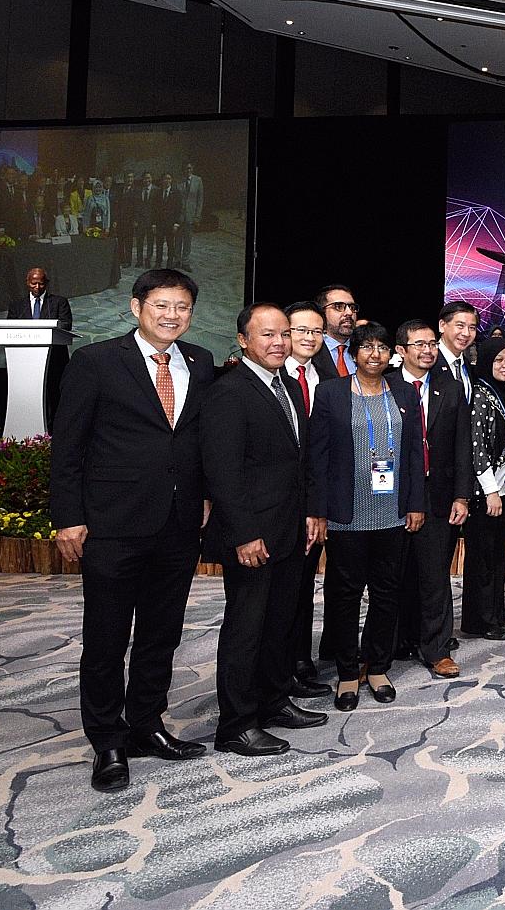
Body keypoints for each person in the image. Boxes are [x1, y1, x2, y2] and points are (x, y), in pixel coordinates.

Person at [51, 269, 214, 792]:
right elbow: (69, 447)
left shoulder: (200, 362)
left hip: (178, 523)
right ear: (136, 306)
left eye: (182, 307)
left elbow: (196, 441)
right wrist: (68, 517)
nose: (173, 316)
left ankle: (146, 725)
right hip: (113, 525)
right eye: (162, 305)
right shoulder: (95, 362)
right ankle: (108, 742)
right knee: (105, 638)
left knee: (161, 634)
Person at [203, 303, 327, 756]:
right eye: (267, 335)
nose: (278, 343)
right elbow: (223, 472)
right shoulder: (229, 392)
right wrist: (243, 533)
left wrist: (313, 512)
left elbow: (302, 459)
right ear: (243, 341)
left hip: (291, 530)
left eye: (283, 335)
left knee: (280, 623)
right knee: (246, 628)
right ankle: (236, 724)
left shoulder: (290, 387)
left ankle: (273, 702)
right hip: (252, 537)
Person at [308, 322, 426, 712]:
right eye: (366, 347)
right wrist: (318, 511)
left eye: (380, 347)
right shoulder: (331, 393)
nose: (374, 354)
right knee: (344, 596)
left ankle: (377, 667)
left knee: (387, 593)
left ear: (391, 353)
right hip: (347, 516)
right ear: (354, 353)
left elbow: (412, 455)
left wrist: (415, 503)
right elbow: (318, 457)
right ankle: (346, 671)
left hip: (392, 514)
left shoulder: (405, 392)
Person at [391, 319, 473, 678]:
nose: (427, 350)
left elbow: (462, 447)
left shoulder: (450, 387)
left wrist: (463, 496)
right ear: (400, 351)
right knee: (391, 575)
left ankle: (437, 649)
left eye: (430, 344)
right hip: (391, 495)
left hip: (438, 494)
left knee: (435, 576)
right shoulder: (386, 386)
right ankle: (389, 645)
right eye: (418, 344)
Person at [281, 300, 332, 696]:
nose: (310, 338)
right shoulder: (270, 376)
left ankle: (299, 660)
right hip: (278, 505)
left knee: (302, 588)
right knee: (278, 593)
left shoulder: (325, 376)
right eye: (301, 331)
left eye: (317, 332)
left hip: (316, 501)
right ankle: (279, 670)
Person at [462, 336, 505, 640]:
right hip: (486, 492)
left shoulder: (503, 392)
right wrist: (490, 491)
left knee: (497, 558)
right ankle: (479, 620)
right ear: (485, 363)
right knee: (482, 559)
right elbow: (477, 447)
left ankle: (494, 615)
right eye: (499, 360)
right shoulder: (481, 395)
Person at [433, 300, 480, 403]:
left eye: (472, 328)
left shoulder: (467, 365)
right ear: (442, 325)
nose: (466, 333)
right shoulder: (428, 361)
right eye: (460, 326)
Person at [313, 284, 360, 378]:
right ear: (321, 313)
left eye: (352, 307)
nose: (349, 313)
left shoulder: (363, 347)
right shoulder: (311, 350)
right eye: (338, 306)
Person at [7, 266, 72, 329]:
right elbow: (9, 326)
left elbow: (66, 325)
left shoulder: (60, 302)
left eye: (41, 284)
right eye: (34, 283)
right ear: (28, 282)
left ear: (46, 283)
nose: (37, 287)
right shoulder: (16, 305)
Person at [180, 162, 203, 271]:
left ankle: (185, 261)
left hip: (191, 215)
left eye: (189, 168)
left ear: (192, 168)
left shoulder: (198, 180)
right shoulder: (179, 181)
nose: (188, 170)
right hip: (179, 216)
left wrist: (197, 216)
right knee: (178, 238)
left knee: (188, 239)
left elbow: (200, 200)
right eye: (186, 168)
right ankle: (177, 259)